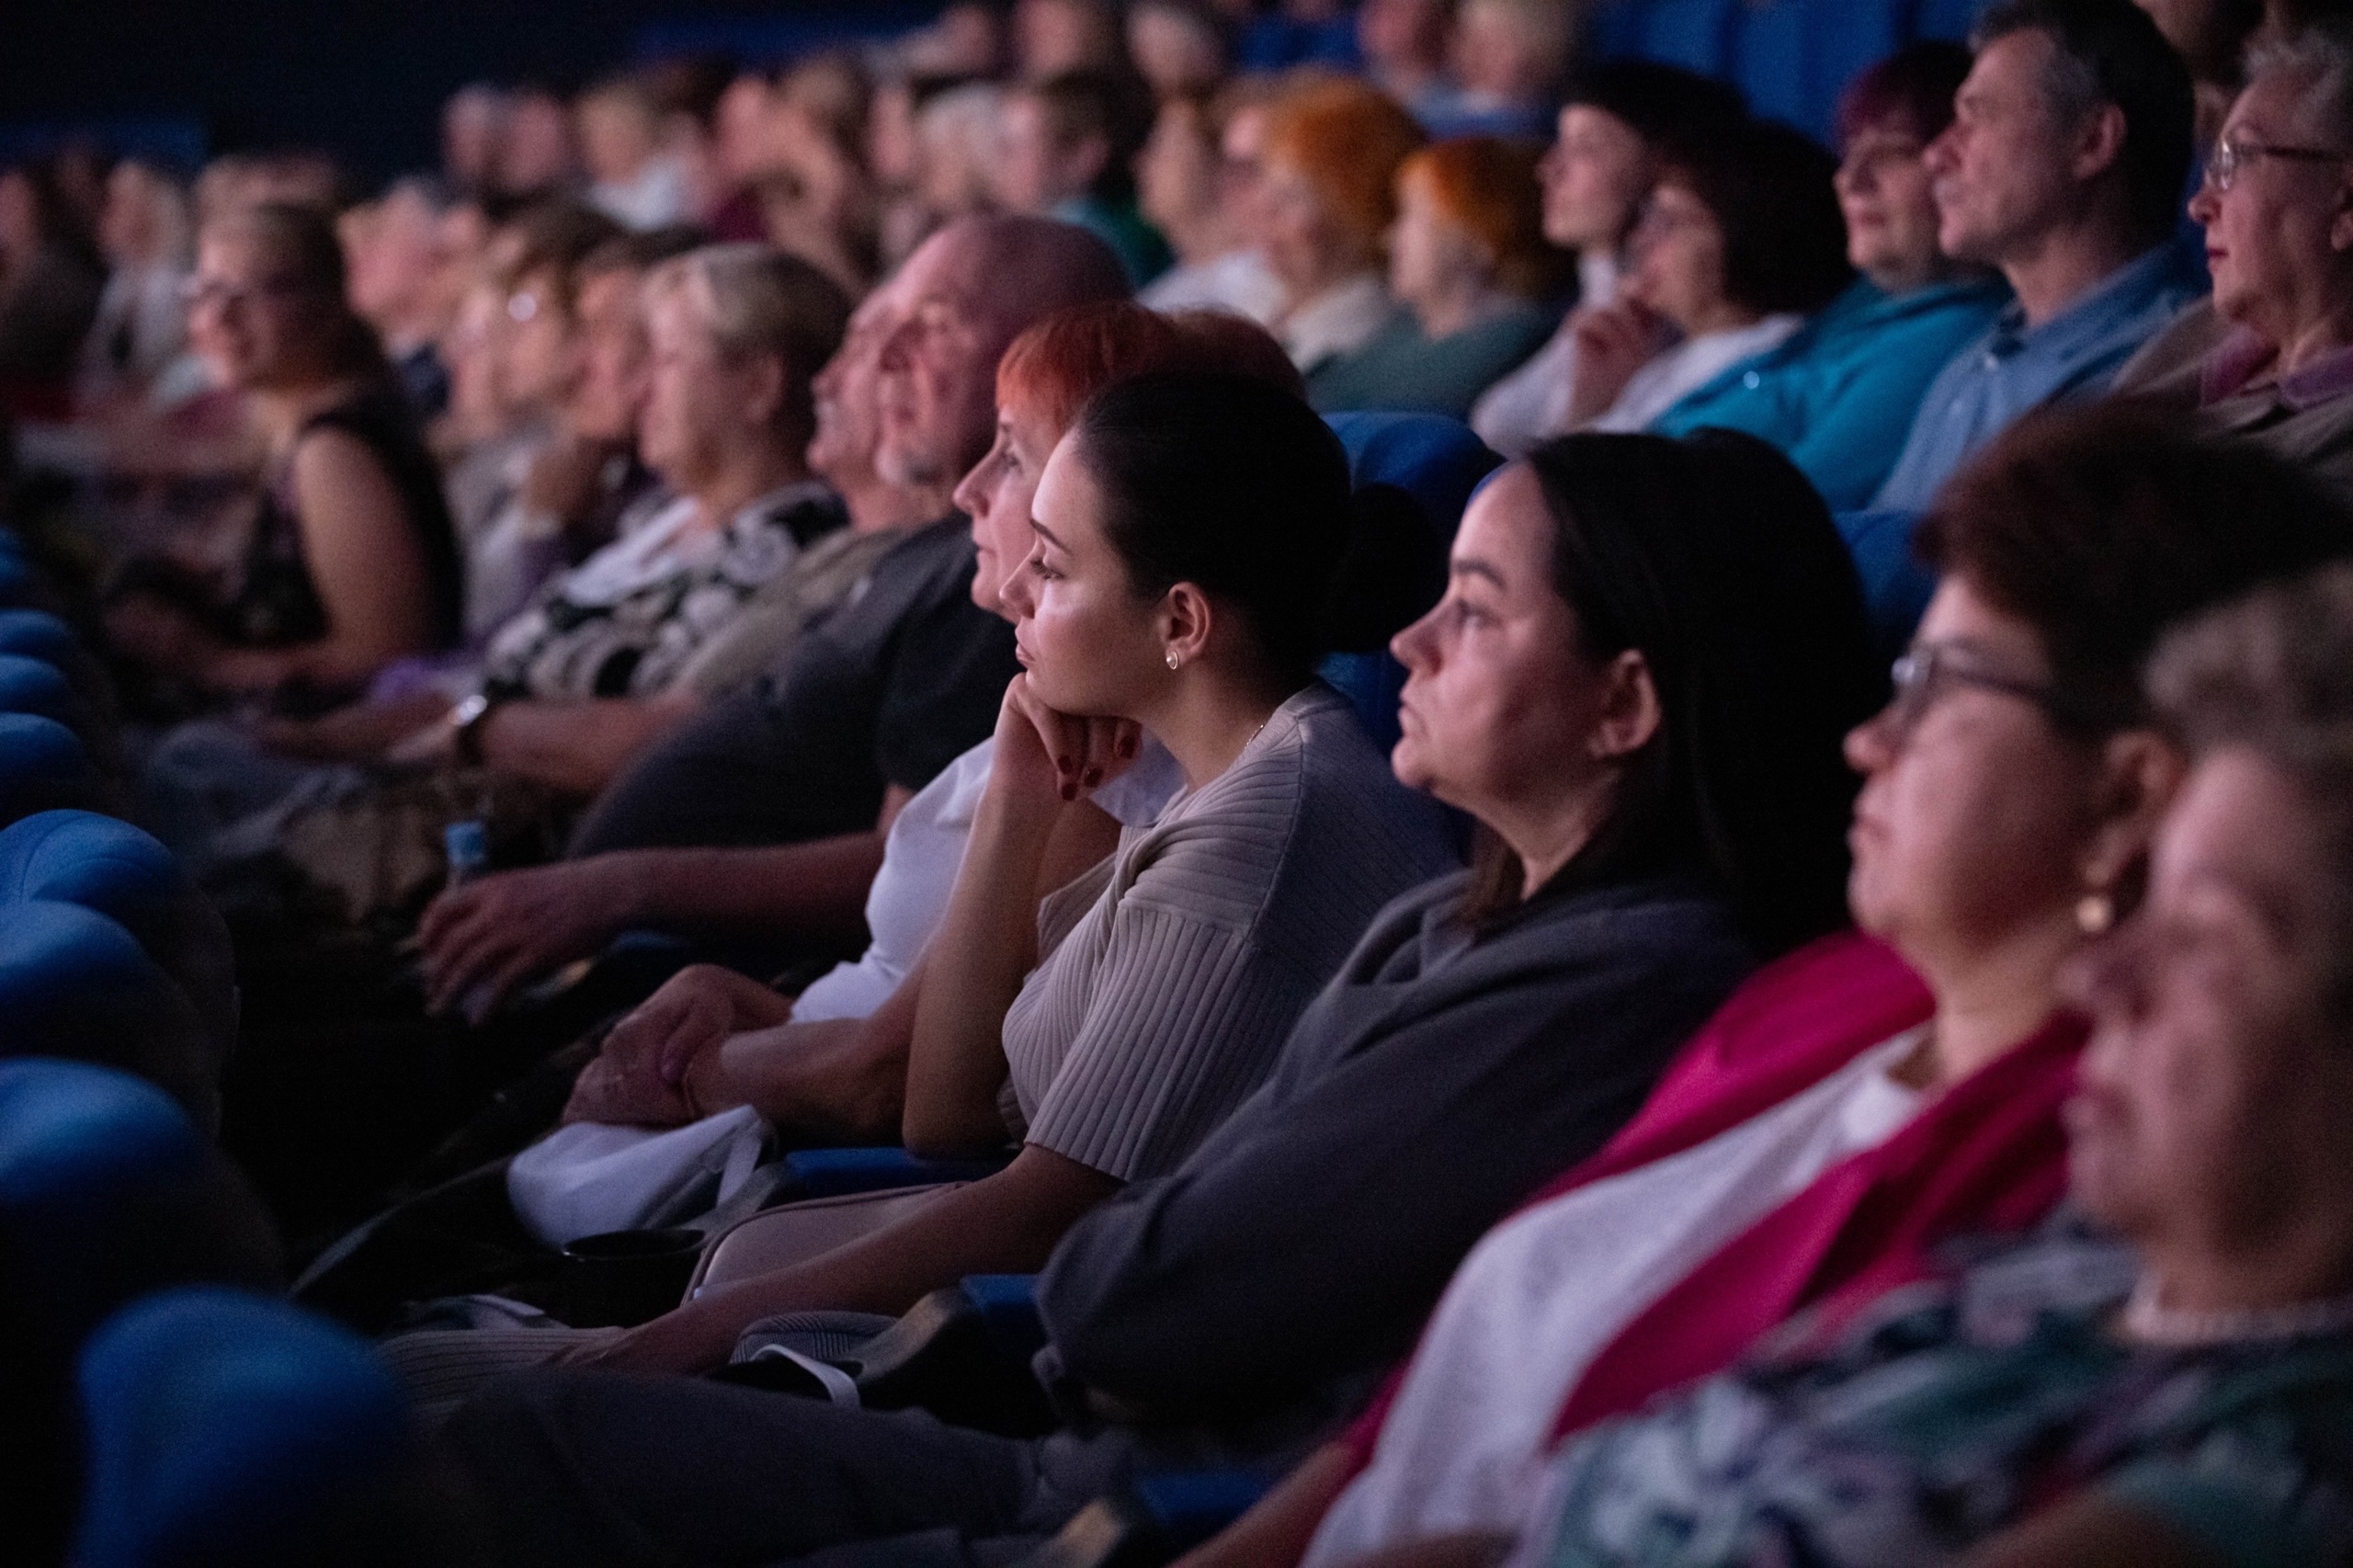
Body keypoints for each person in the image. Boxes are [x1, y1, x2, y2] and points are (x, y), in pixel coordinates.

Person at [425, 423, 1883, 1568]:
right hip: (1071, 1417)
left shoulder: (1604, 979)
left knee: (496, 1447)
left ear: (1624, 708)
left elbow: (1127, 1284)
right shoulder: (1461, 913)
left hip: (1125, 1489)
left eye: (1476, 616)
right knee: (458, 1414)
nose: (1406, 644)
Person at [1179, 409, 2353, 1568]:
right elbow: (1451, 1403)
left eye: (1937, 684)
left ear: (2125, 793)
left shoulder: (2124, 1147)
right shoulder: (1819, 991)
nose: (1872, 740)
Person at [1455, 562, 2353, 1568]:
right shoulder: (2058, 1265)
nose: (2101, 971)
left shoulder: (2268, 1468)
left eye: (2207, 941)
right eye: (2151, 906)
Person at [557, 301, 1290, 1141]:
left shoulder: (1116, 768)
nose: (966, 490)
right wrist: (744, 1003)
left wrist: (682, 1076)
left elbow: (903, 1091)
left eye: (1013, 456)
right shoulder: (1061, 716)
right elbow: (899, 1005)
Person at [413, 215, 1127, 1016]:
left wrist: (623, 889)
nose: (877, 365)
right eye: (878, 333)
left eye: (932, 328)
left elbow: (911, 869)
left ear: (1041, 355)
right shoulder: (926, 553)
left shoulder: (993, 585)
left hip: (708, 982)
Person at [104, 201, 462, 709]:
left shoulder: (333, 453)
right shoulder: (295, 429)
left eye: (258, 291)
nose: (220, 316)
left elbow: (390, 661)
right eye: (206, 291)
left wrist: (209, 663)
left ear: (330, 304)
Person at [1858, 0, 2204, 505]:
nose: (1936, 154)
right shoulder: (1976, 360)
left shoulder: (2161, 364)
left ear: (2092, 142)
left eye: (1976, 117)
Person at [1651, 46, 2013, 508]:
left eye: (1894, 153)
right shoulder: (1864, 301)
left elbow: (1783, 515)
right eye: (1848, 149)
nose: (1851, 179)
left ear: (1959, 167)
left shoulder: (1948, 337)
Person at [2114, 20, 2353, 488]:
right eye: (2209, 166)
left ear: (2345, 203)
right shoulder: (2192, 335)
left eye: (2235, 161)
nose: (2199, 206)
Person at [1472, 63, 1745, 457]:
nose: (1549, 167)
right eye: (1558, 143)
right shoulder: (1592, 304)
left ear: (1660, 171)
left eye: (1585, 148)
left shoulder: (1656, 328)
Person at [1567, 122, 1854, 433]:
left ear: (1748, 238)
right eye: (1647, 214)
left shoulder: (1764, 372)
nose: (1639, 239)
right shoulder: (1675, 357)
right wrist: (1591, 402)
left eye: (1667, 220)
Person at [1308, 136, 1568, 417]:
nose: (1389, 239)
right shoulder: (1406, 327)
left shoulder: (1511, 344)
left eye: (1411, 216)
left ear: (1482, 235)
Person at [1252, 79, 1429, 388]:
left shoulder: (1362, 344)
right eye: (1268, 185)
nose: (1264, 209)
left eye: (1291, 196)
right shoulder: (1259, 295)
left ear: (1360, 218)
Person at [995, 71, 1173, 287]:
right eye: (1002, 144)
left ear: (1085, 156)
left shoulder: (1081, 241)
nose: (1000, 159)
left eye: (1018, 146)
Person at [1135, 86, 1286, 322]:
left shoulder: (1270, 278)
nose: (1141, 162)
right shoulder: (1155, 297)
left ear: (1220, 162)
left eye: (1162, 146)